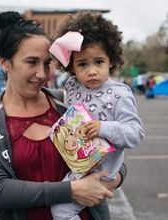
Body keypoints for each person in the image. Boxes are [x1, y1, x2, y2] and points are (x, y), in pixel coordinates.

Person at [0, 11, 127, 220]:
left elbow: (110, 153)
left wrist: (115, 177)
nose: (42, 74)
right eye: (31, 62)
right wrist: (71, 190)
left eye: (46, 63)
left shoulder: (66, 102)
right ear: (4, 62)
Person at [49, 11, 145, 220]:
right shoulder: (73, 86)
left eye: (99, 62)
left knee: (60, 210)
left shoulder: (120, 93)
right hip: (78, 162)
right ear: (71, 66)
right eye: (82, 64)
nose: (92, 71)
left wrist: (104, 127)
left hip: (101, 172)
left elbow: (136, 133)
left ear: (111, 60)